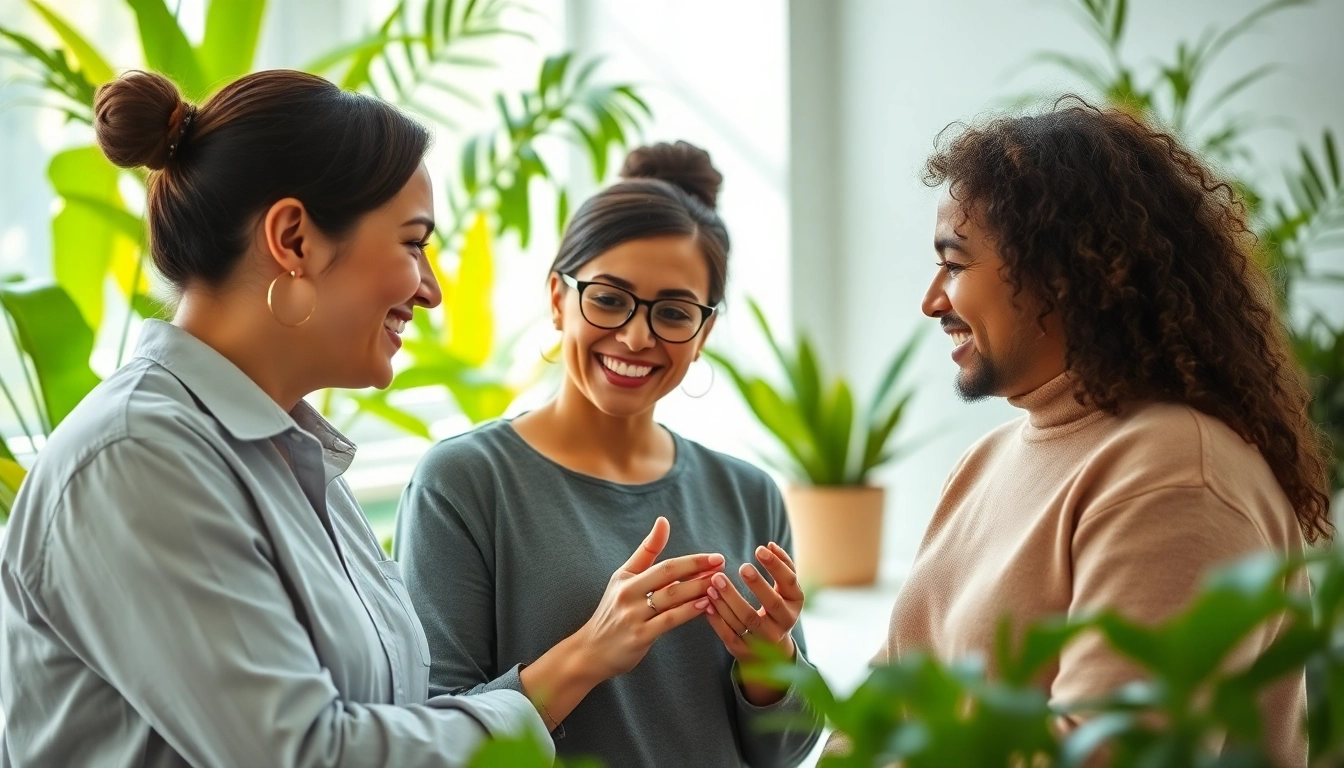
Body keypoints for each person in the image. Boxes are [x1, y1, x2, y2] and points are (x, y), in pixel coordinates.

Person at [0, 70, 550, 767]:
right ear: (293, 239)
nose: (431, 290)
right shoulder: (135, 457)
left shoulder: (288, 454)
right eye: (413, 244)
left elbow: (380, 718)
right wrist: (530, 707)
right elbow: (307, 754)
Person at [826, 101, 1332, 765]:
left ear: (1059, 275)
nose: (932, 301)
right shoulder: (988, 460)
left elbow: (1103, 755)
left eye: (954, 264)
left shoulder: (1176, 472)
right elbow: (879, 706)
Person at [395, 141, 824, 767]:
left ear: (703, 332)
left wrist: (770, 666)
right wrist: (590, 652)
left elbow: (785, 752)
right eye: (608, 298)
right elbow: (436, 742)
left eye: (673, 312)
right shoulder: (465, 483)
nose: (636, 335)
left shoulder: (748, 492)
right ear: (557, 298)